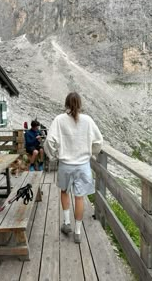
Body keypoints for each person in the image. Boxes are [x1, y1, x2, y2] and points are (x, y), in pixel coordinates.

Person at [44, 92, 103, 243]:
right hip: (83, 165)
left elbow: (49, 141)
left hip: (65, 165)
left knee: (64, 192)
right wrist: (92, 152)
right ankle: (77, 232)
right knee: (80, 197)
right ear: (80, 104)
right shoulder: (88, 120)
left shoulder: (59, 119)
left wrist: (54, 155)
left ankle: (67, 223)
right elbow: (98, 141)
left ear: (66, 104)